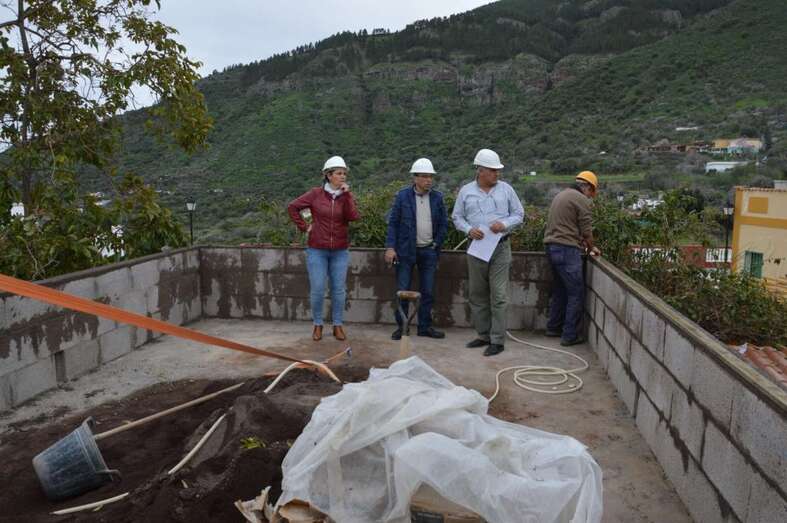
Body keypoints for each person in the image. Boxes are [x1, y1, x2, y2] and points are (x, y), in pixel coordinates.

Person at [451, 149, 524, 357]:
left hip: (500, 247)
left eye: (497, 171)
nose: (497, 174)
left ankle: (497, 340)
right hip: (477, 249)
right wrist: (468, 230)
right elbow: (457, 217)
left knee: (499, 295)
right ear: (480, 171)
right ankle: (483, 335)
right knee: (477, 293)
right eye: (493, 170)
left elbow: (519, 214)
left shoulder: (506, 190)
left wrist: (505, 224)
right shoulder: (466, 191)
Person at [287, 156, 360, 341]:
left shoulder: (345, 197)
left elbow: (353, 217)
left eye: (344, 173)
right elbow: (293, 207)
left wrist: (348, 195)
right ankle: (317, 324)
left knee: (338, 290)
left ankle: (337, 325)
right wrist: (305, 227)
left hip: (340, 251)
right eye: (338, 173)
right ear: (328, 175)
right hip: (317, 249)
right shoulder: (315, 194)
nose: (342, 176)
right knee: (318, 288)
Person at [384, 158, 449, 340]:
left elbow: (444, 224)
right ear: (415, 178)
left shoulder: (437, 198)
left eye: (431, 176)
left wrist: (436, 243)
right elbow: (393, 223)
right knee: (402, 291)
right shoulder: (403, 196)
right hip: (405, 251)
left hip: (429, 251)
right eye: (425, 176)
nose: (429, 180)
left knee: (427, 291)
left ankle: (424, 327)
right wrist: (390, 247)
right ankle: (402, 327)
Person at [543, 170, 601, 346]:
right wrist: (592, 248)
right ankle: (569, 335)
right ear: (588, 188)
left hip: (551, 247)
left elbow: (565, 225)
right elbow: (586, 231)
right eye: (592, 193)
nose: (591, 197)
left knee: (561, 290)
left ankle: (553, 327)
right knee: (576, 292)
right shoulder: (581, 199)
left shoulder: (562, 195)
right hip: (567, 251)